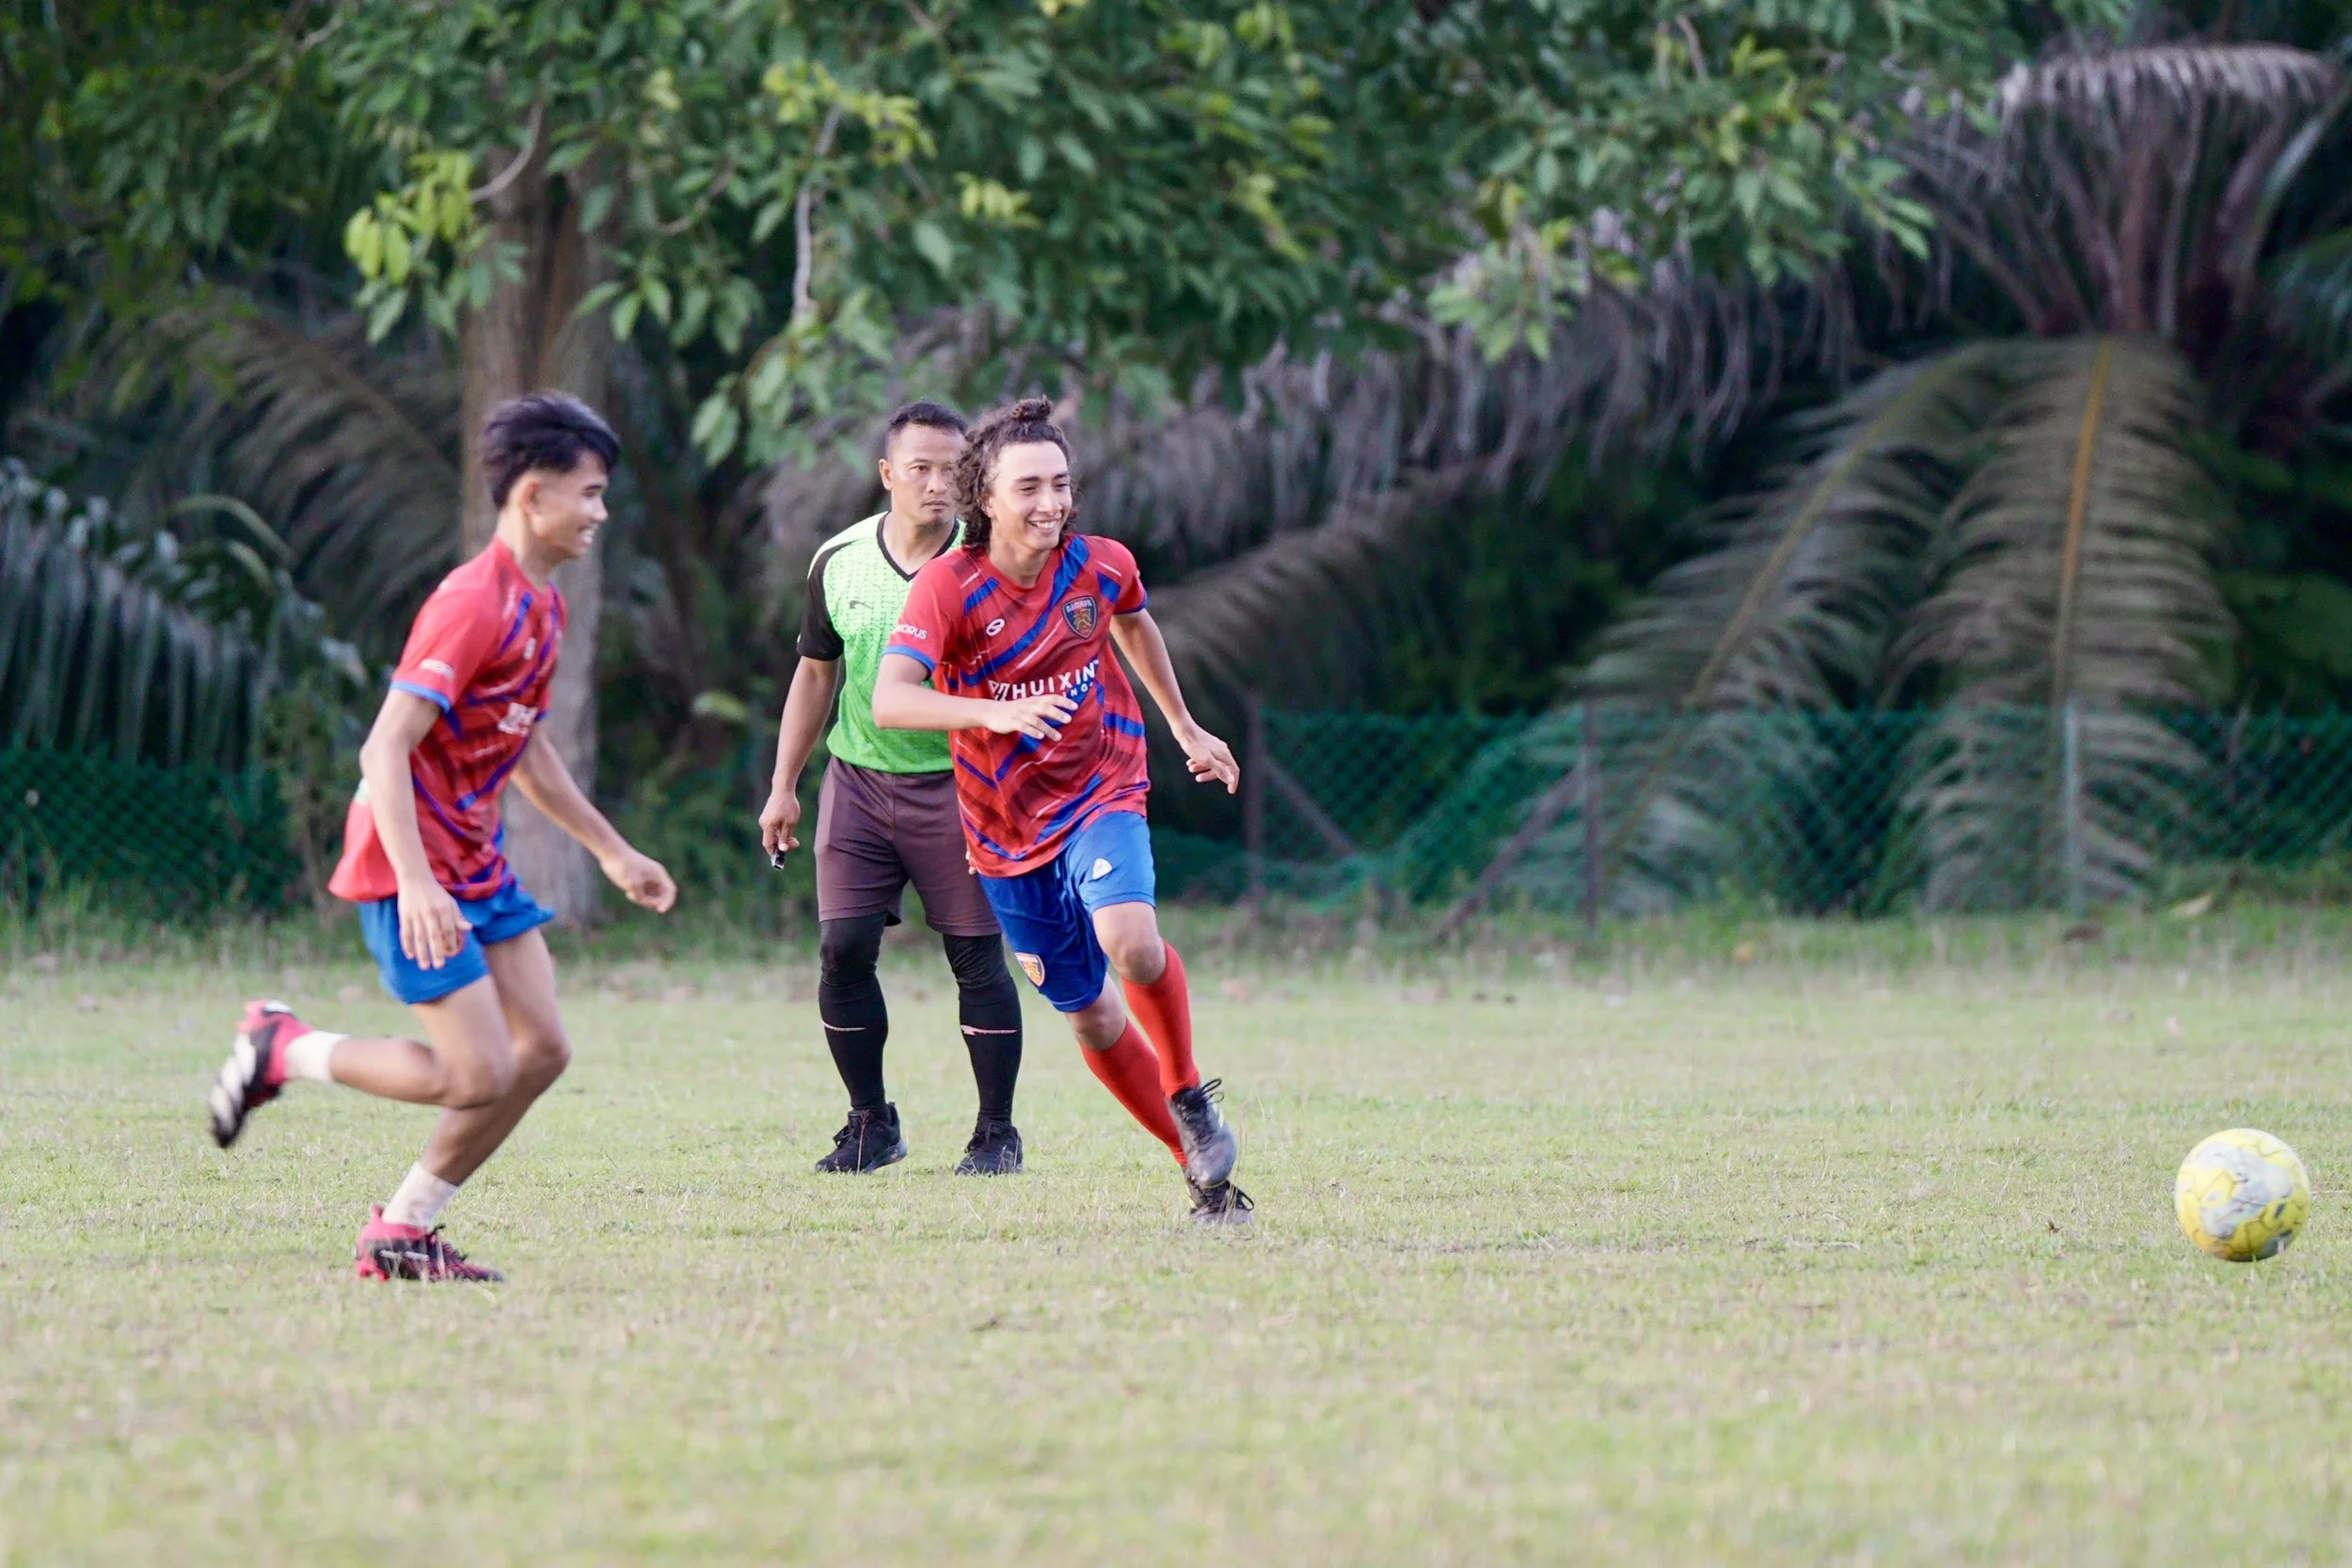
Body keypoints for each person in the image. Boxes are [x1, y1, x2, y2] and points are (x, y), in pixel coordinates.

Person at [205, 392, 677, 1282]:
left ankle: (404, 1229)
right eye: (590, 493)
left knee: (543, 1051)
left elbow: (523, 743)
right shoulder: (471, 603)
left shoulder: (544, 605)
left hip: (475, 860)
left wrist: (611, 849)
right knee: (474, 1075)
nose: (600, 513)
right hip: (408, 863)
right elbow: (384, 746)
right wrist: (418, 883)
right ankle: (284, 1047)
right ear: (533, 494)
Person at [872, 397, 1251, 1225]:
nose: (1051, 503)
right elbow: (890, 700)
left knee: (1131, 941)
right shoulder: (949, 587)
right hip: (1005, 831)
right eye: (1029, 488)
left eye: (1061, 484)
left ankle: (1189, 1092)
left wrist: (1185, 725)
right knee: (1091, 1013)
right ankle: (1202, 1175)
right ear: (985, 497)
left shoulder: (1099, 564)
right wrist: (994, 713)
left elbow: (1135, 623)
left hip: (1102, 787)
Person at [759, 400, 1026, 1176]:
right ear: (887, 473)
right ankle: (871, 1123)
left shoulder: (991, 563)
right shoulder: (837, 559)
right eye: (921, 468)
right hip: (859, 783)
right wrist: (784, 784)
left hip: (963, 786)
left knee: (975, 956)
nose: (938, 483)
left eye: (954, 469)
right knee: (842, 950)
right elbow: (816, 676)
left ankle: (996, 1133)